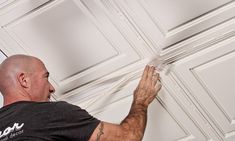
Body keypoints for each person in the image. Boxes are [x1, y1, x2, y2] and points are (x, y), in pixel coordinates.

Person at [0, 54, 162, 141]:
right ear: (24, 80)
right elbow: (129, 138)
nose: (51, 87)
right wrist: (141, 102)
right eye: (45, 77)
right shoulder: (49, 114)